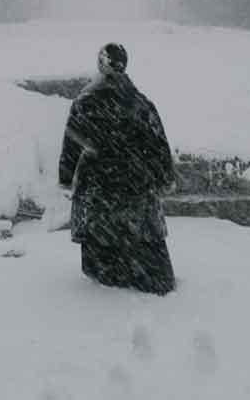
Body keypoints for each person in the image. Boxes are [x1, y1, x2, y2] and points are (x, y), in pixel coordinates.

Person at [59, 43, 176, 295]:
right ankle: (144, 276)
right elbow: (159, 144)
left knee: (102, 234)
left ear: (101, 65)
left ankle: (109, 277)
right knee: (139, 233)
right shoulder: (142, 104)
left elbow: (71, 142)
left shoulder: (85, 103)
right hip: (137, 181)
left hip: (99, 184)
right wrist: (164, 176)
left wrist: (66, 177)